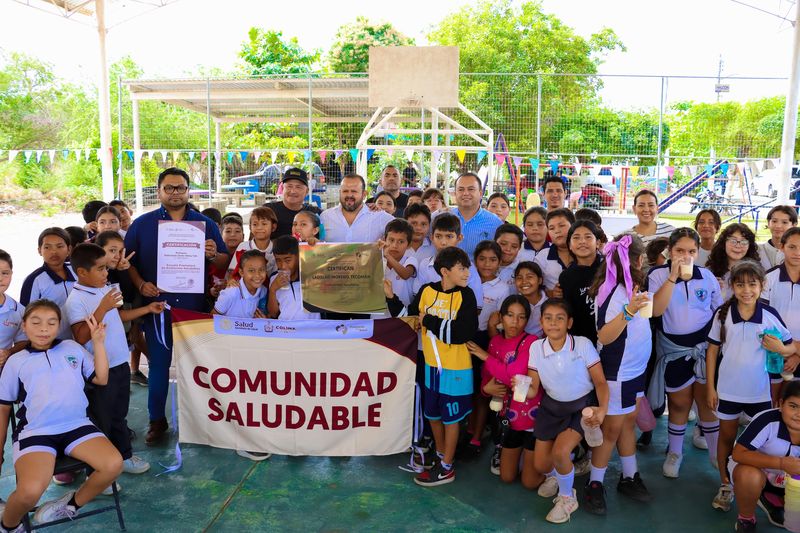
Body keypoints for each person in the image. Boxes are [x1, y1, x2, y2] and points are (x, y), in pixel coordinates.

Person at [124, 167, 229, 445]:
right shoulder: (142, 224)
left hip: (194, 309)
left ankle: (204, 421)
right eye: (169, 188)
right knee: (159, 366)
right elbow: (128, 261)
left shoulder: (204, 223)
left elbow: (223, 261)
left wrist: (213, 254)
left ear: (188, 190)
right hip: (158, 306)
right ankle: (157, 420)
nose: (174, 193)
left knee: (200, 367)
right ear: (159, 191)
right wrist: (140, 284)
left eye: (180, 188)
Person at [0, 300, 122, 530]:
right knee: (29, 493)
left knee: (113, 465)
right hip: (36, 433)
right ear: (24, 326)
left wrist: (98, 343)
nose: (44, 329)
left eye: (51, 322)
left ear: (59, 326)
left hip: (77, 426)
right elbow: (4, 407)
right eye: (36, 323)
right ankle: (9, 525)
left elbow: (101, 378)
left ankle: (71, 504)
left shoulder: (71, 348)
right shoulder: (16, 362)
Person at [65, 243, 165, 485]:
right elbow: (80, 335)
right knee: (101, 420)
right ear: (82, 272)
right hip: (100, 370)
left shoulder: (102, 288)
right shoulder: (76, 300)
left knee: (119, 415)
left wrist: (146, 309)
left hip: (119, 363)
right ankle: (97, 473)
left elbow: (117, 316)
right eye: (100, 269)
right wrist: (102, 307)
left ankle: (124, 456)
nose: (105, 273)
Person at [706, 259, 795, 513]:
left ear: (762, 286)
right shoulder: (723, 314)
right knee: (726, 437)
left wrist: (781, 348)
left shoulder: (770, 315)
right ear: (732, 286)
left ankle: (761, 488)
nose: (747, 290)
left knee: (759, 444)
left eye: (752, 284)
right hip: (728, 390)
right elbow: (712, 352)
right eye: (740, 285)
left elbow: (789, 347)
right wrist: (711, 388)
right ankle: (726, 484)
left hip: (759, 393)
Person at [388, 247, 479, 487]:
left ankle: (447, 467)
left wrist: (427, 320)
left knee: (451, 420)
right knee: (433, 415)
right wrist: (390, 298)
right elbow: (409, 316)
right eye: (462, 268)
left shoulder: (467, 296)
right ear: (445, 272)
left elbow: (461, 333)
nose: (468, 272)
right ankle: (440, 456)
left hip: (457, 370)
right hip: (431, 369)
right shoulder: (426, 291)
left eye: (467, 267)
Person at [584, 233, 653, 515]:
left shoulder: (630, 287)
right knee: (611, 428)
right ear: (637, 260)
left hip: (634, 369)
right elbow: (605, 335)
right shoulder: (614, 292)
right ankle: (595, 484)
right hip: (618, 371)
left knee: (627, 423)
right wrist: (628, 311)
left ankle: (629, 475)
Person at [525, 299, 609, 524]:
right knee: (542, 465)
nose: (553, 323)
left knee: (560, 452)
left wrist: (602, 410)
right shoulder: (535, 347)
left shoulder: (582, 344)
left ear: (569, 323)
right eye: (548, 318)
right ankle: (562, 472)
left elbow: (600, 382)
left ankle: (567, 497)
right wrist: (520, 388)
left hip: (580, 407)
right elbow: (533, 390)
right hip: (551, 407)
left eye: (559, 318)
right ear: (541, 322)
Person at [647, 227, 722, 479]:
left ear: (698, 252)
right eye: (679, 251)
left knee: (706, 404)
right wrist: (672, 277)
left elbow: (718, 312)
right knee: (679, 403)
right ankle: (675, 452)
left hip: (702, 350)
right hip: (673, 350)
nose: (685, 256)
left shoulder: (707, 277)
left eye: (691, 251)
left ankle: (715, 454)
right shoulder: (657, 275)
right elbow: (655, 311)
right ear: (670, 251)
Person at [467, 295, 544, 489]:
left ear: (527, 320)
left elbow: (514, 375)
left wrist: (484, 356)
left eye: (521, 317)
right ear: (501, 317)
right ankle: (526, 460)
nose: (515, 322)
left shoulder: (531, 342)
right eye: (510, 315)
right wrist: (486, 389)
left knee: (529, 482)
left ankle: (553, 470)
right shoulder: (495, 343)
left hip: (534, 421)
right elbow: (487, 379)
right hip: (509, 419)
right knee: (506, 477)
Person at [729, 382, 800, 531]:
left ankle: (777, 502)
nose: (799, 414)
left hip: (792, 483)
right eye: (793, 406)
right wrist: (781, 463)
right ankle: (746, 519)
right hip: (760, 475)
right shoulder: (768, 420)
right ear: (781, 404)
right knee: (748, 475)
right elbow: (738, 453)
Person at [466, 240, 511, 458]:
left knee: (483, 392)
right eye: (482, 259)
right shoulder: (466, 280)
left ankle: (476, 436)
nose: (487, 264)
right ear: (475, 260)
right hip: (463, 339)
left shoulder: (503, 288)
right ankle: (468, 429)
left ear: (500, 263)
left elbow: (499, 321)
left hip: (487, 340)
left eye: (493, 259)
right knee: (467, 388)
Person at [413, 213, 483, 304]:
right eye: (438, 236)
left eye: (449, 236)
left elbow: (476, 306)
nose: (443, 242)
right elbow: (418, 298)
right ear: (432, 238)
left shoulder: (468, 267)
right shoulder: (425, 265)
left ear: (459, 238)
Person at [20, 227, 75, 341]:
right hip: (52, 342)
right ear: (39, 250)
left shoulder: (78, 270)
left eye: (60, 246)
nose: (54, 252)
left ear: (69, 249)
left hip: (84, 336)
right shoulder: (34, 280)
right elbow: (26, 315)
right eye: (47, 247)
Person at [763, 227, 800, 381]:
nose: (798, 252)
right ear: (782, 247)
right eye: (792, 247)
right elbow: (762, 319)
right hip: (771, 353)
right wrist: (780, 350)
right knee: (774, 400)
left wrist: (797, 355)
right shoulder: (768, 278)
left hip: (798, 354)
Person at [559, 220, 603, 345]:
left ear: (598, 243)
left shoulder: (609, 268)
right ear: (570, 245)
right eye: (576, 238)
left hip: (610, 338)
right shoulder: (566, 277)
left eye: (588, 237)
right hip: (582, 341)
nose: (582, 241)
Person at [320, 173, 394, 243]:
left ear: (364, 194)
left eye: (354, 191)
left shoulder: (380, 217)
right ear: (340, 192)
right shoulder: (326, 217)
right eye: (345, 191)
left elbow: (403, 233)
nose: (349, 195)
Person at [448, 172, 503, 257]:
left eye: (471, 189)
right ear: (455, 193)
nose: (465, 193)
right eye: (461, 189)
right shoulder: (444, 217)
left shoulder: (495, 223)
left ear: (481, 193)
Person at [266, 236, 320, 321]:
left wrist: (318, 245)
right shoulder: (274, 278)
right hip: (286, 331)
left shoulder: (311, 273)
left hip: (312, 329)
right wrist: (273, 289)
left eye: (288, 260)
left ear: (298, 256)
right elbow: (273, 314)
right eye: (278, 260)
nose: (283, 266)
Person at [264, 167, 322, 239]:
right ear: (282, 188)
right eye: (289, 186)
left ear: (307, 191)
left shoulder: (315, 213)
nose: (293, 191)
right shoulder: (268, 211)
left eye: (298, 187)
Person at [706, 223, 760, 300]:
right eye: (733, 241)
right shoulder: (709, 273)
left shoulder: (756, 272)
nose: (738, 246)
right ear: (723, 243)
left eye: (744, 242)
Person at [227, 206, 278, 279]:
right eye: (255, 224)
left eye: (264, 224)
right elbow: (231, 271)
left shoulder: (276, 249)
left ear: (273, 227)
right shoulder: (243, 247)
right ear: (250, 227)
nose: (259, 227)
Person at [535, 208, 576, 296]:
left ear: (573, 226)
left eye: (561, 225)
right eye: (551, 228)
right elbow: (535, 286)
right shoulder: (542, 257)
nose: (557, 231)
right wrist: (550, 293)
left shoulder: (584, 252)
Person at [379, 219, 417, 307]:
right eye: (391, 240)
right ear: (385, 239)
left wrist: (388, 256)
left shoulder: (410, 260)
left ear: (409, 244)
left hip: (402, 313)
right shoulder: (378, 260)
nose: (395, 245)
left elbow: (405, 274)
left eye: (401, 241)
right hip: (378, 314)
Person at [631, 190, 675, 261]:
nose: (646, 209)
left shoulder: (671, 231)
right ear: (634, 209)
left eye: (651, 205)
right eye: (641, 205)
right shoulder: (627, 238)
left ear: (657, 208)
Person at [0, 250, 27, 366]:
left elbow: (23, 341)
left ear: (11, 274)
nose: (0, 278)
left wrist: (8, 352)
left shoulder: (18, 310)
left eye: (5, 273)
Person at [759, 205, 798, 270]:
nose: (778, 226)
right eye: (774, 221)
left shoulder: (797, 253)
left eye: (784, 222)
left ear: (794, 225)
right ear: (768, 223)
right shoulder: (757, 250)